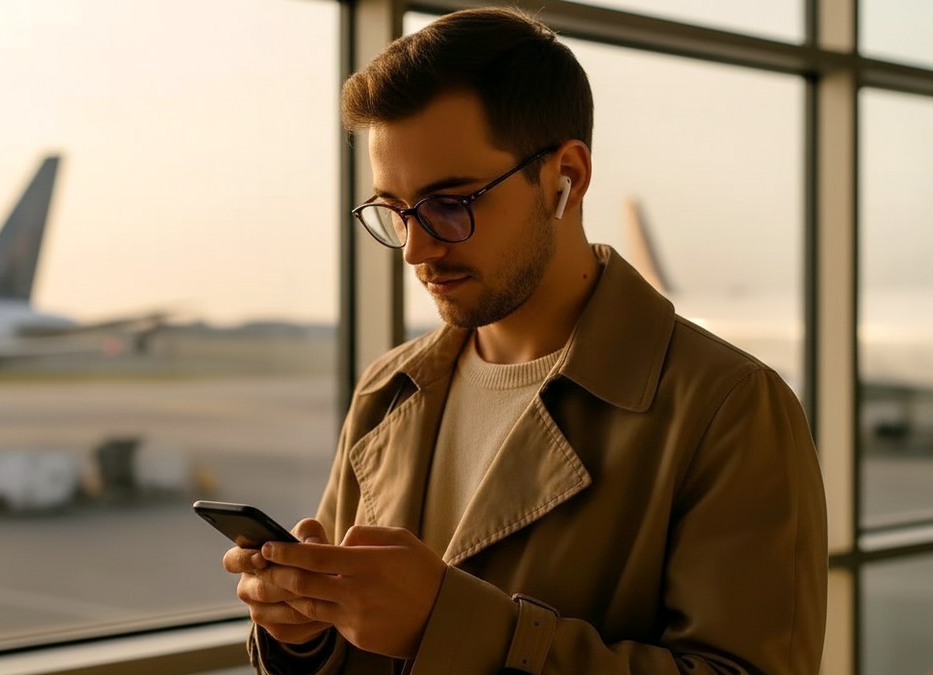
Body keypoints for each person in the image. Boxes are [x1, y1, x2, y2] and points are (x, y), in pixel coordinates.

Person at [222, 7, 827, 674]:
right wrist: (305, 629)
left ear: (566, 176)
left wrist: (450, 625)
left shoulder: (727, 407)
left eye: (451, 204)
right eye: (394, 212)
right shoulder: (388, 388)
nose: (415, 249)